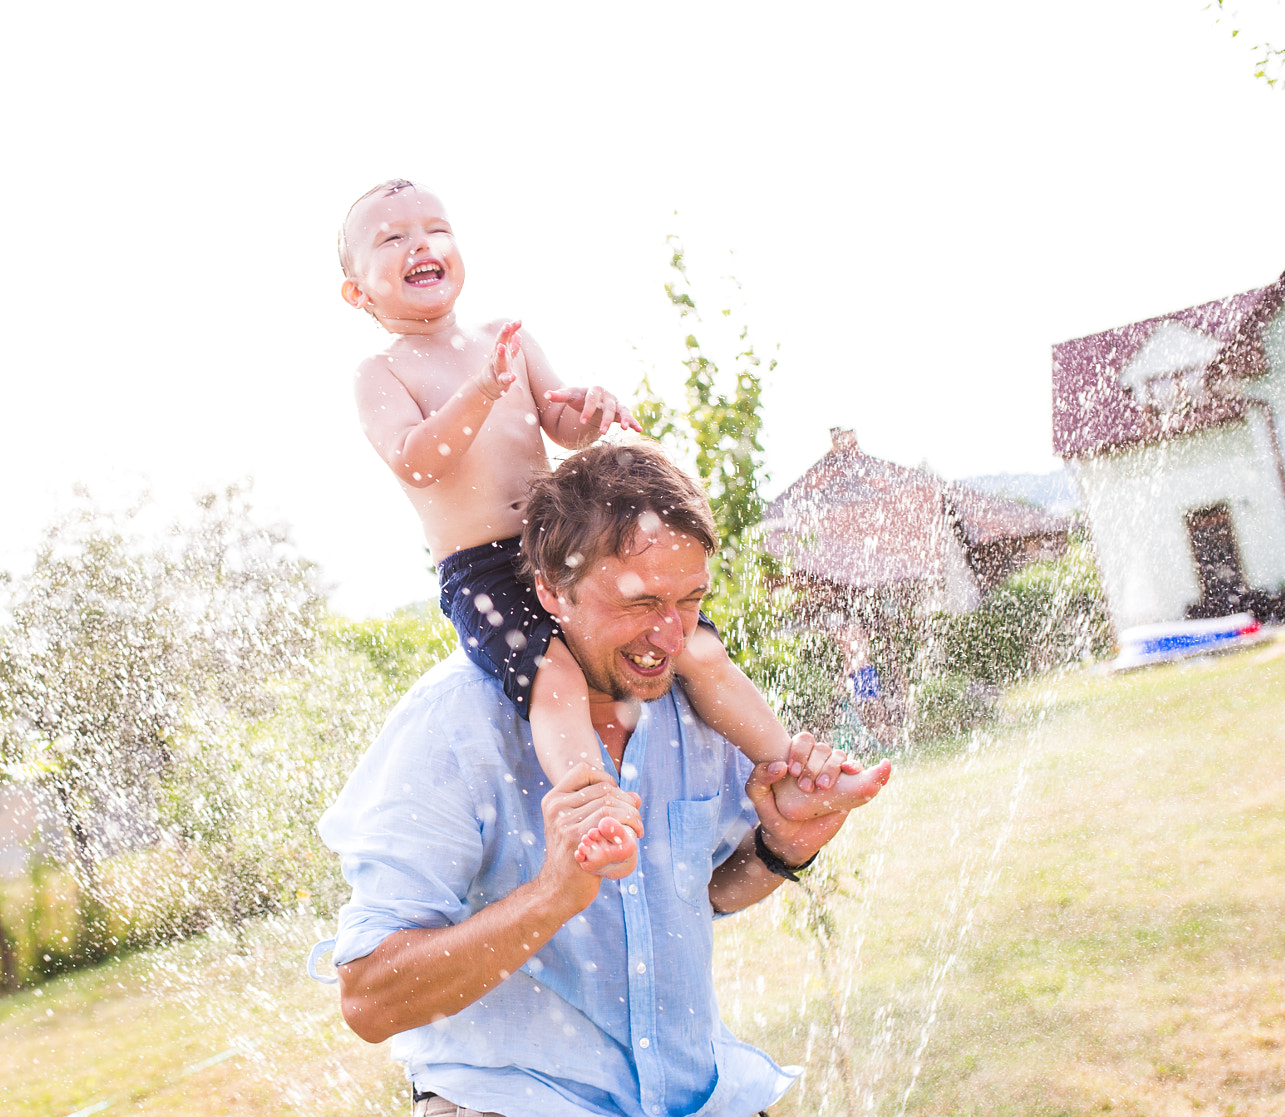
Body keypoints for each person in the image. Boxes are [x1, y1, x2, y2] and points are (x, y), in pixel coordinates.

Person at [320, 440, 919, 1117]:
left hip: (690, 1116)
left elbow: (705, 893)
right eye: (640, 602)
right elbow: (369, 995)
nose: (669, 636)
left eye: (689, 603)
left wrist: (783, 845)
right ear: (551, 593)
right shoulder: (453, 727)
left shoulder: (692, 707)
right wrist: (556, 893)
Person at [337, 178, 889, 877]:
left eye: (435, 228)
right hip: (482, 566)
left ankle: (791, 769)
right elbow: (418, 461)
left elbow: (561, 424)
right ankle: (590, 802)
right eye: (391, 238)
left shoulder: (506, 336)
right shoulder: (381, 371)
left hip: (566, 546)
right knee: (557, 678)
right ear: (359, 292)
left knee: (693, 646)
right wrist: (480, 391)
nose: (420, 243)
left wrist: (594, 412)